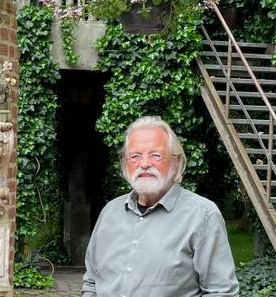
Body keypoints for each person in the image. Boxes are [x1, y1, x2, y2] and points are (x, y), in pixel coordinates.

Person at [82, 116, 238, 297]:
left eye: (155, 155)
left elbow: (221, 292)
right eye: (135, 156)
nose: (145, 164)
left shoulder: (202, 216)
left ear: (176, 162)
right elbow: (92, 282)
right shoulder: (110, 212)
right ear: (125, 164)